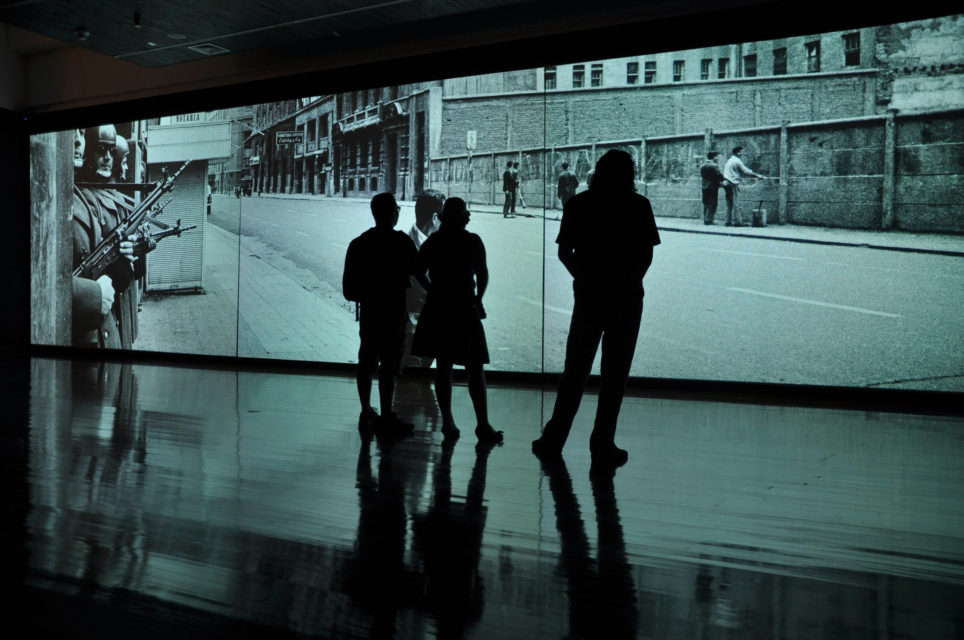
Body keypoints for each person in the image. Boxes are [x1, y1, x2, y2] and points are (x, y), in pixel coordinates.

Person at [532, 149, 660, 468]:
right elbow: (646, 254)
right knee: (615, 375)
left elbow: (564, 252)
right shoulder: (638, 205)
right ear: (629, 174)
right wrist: (627, 284)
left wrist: (589, 282)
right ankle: (602, 443)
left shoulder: (579, 204)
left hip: (589, 298)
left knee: (575, 371)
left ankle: (553, 439)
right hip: (628, 301)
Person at [410, 197, 502, 444]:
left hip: (439, 308)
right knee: (475, 368)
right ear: (460, 218)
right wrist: (478, 299)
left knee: (443, 367)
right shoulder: (472, 241)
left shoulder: (433, 242)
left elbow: (418, 271)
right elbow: (482, 275)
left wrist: (433, 290)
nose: (469, 216)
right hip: (464, 307)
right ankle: (482, 424)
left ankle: (448, 422)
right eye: (465, 213)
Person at [343, 193, 418, 436]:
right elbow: (418, 272)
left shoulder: (358, 244)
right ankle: (386, 415)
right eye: (397, 208)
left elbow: (348, 290)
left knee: (366, 361)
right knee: (389, 365)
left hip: (370, 313)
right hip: (394, 313)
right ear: (393, 213)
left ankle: (366, 411)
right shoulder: (402, 242)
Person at [72, 124, 140, 349]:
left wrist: (135, 252)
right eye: (100, 150)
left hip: (110, 311)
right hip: (91, 323)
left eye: (112, 153)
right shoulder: (87, 197)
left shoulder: (92, 196)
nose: (108, 159)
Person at [722, 146, 765, 227]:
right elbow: (746, 171)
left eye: (741, 152)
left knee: (729, 203)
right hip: (732, 183)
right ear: (735, 153)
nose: (741, 154)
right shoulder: (737, 161)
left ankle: (728, 221)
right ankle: (738, 222)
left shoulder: (729, 160)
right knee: (736, 203)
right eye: (740, 152)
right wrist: (758, 176)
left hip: (726, 183)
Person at [700, 151, 724, 225]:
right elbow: (719, 175)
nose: (718, 159)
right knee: (713, 203)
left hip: (704, 186)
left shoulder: (703, 165)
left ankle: (705, 219)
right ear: (714, 157)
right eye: (717, 157)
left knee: (706, 203)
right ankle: (709, 220)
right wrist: (723, 180)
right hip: (713, 186)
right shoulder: (714, 165)